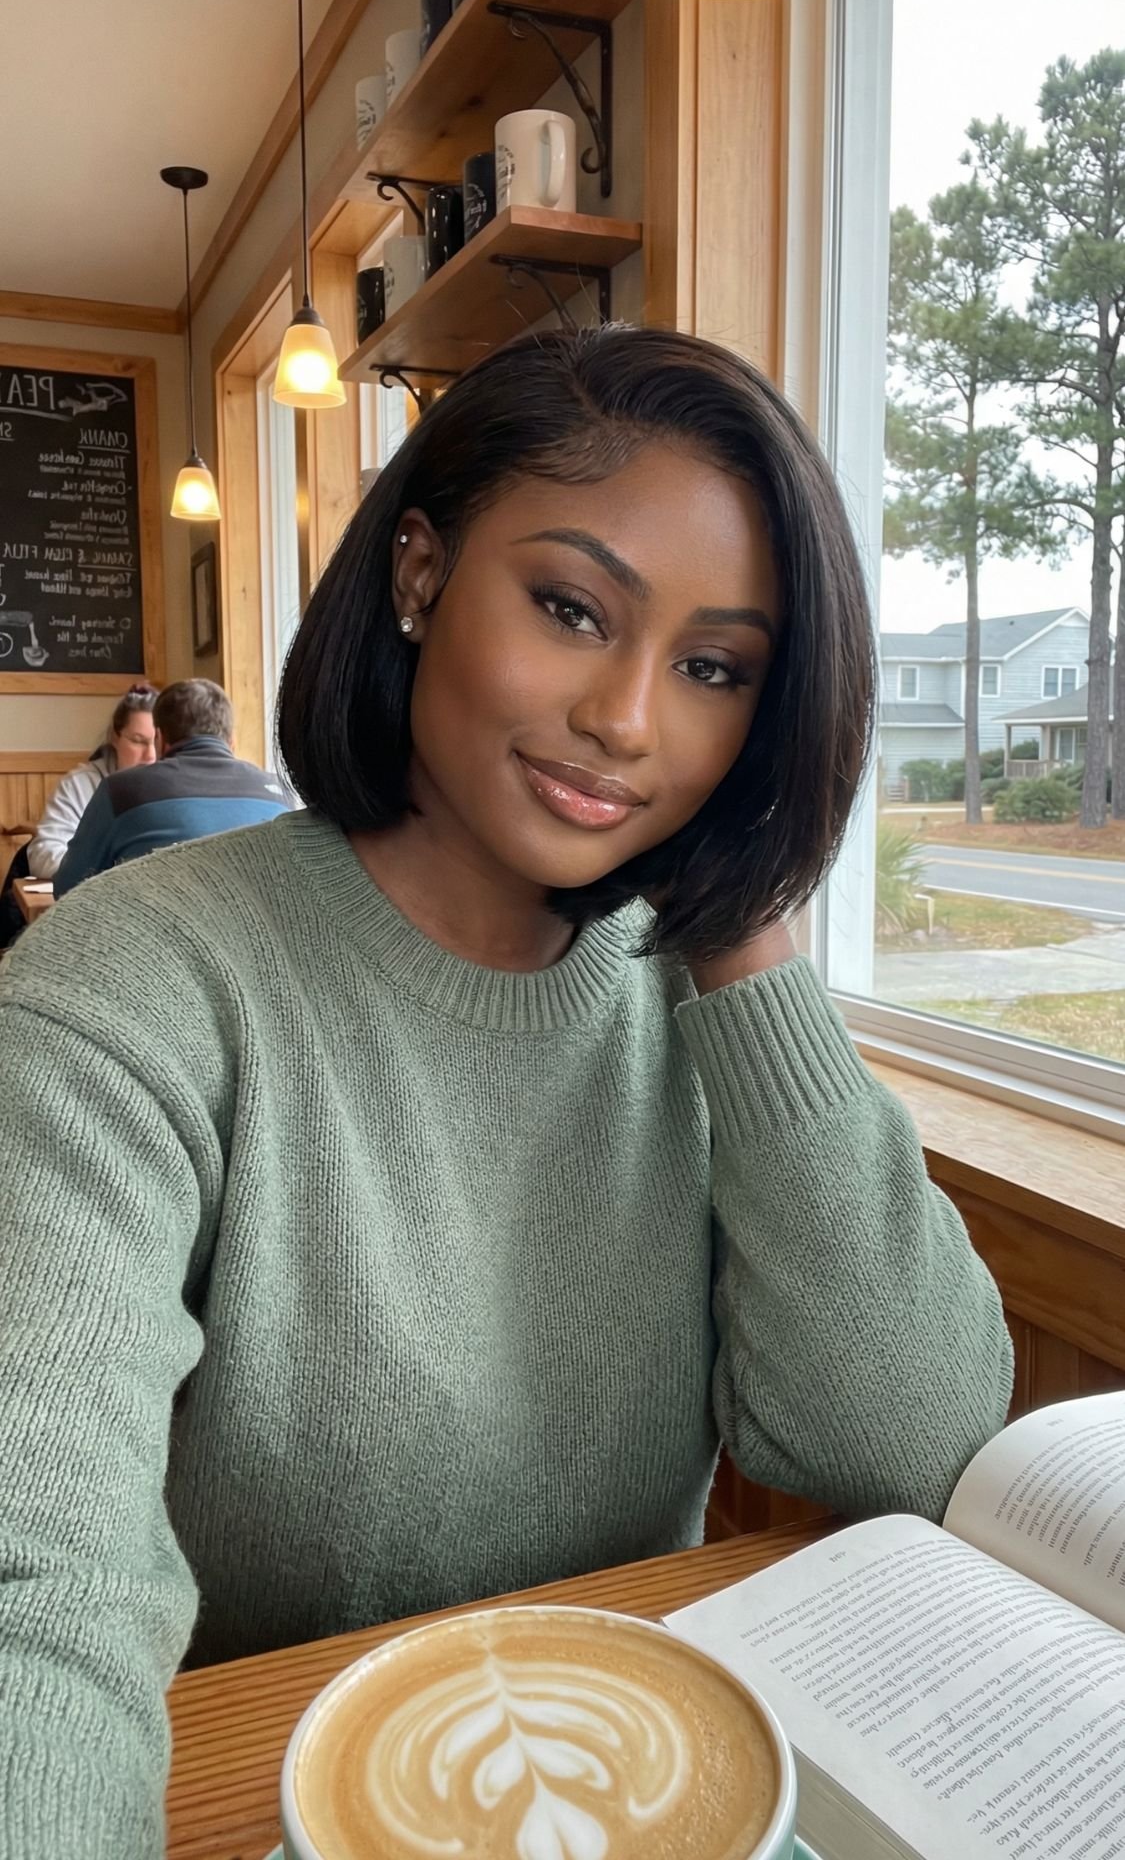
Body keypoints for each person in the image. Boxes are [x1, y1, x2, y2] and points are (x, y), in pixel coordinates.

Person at [0, 328, 1012, 1858]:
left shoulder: (701, 1003)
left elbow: (913, 1441)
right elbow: (38, 1581)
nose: (628, 718)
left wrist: (743, 933)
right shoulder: (130, 984)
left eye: (715, 670)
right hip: (258, 1794)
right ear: (418, 574)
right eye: (570, 608)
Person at [53, 678, 290, 897]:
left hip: (151, 937)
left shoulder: (120, 791)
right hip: (256, 938)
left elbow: (67, 888)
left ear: (159, 739)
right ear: (231, 741)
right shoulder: (280, 793)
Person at [24, 682, 157, 880]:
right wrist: (116, 874)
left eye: (158, 742)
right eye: (138, 741)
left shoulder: (177, 787)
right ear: (114, 737)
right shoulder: (79, 785)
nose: (151, 755)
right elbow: (43, 855)